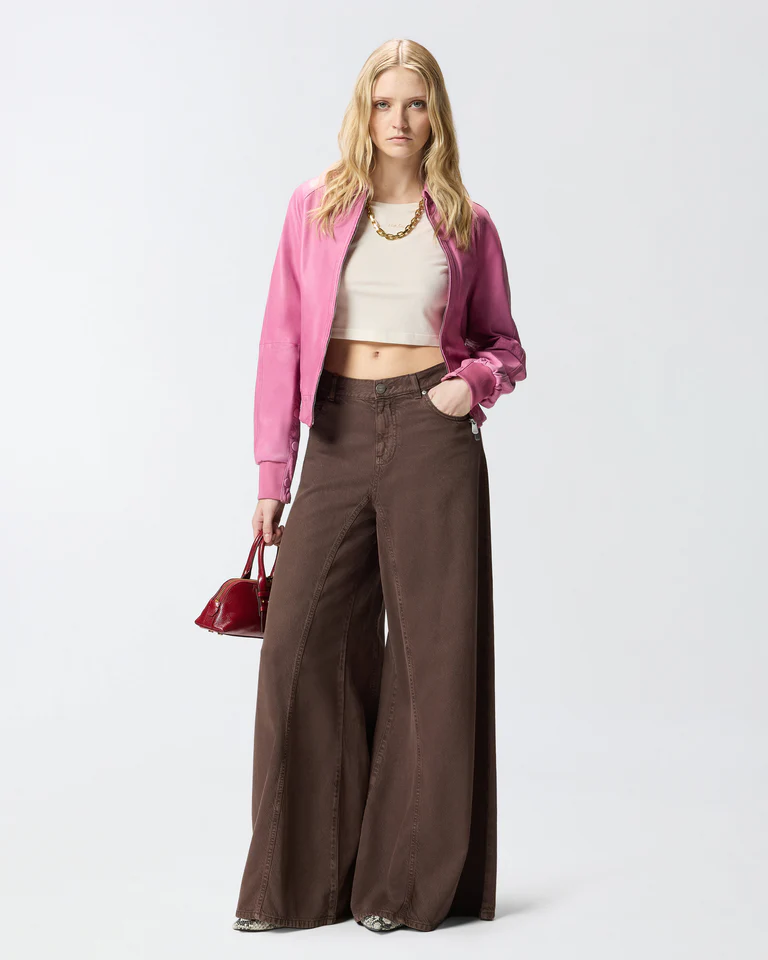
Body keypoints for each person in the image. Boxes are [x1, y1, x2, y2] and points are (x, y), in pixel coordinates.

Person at [232, 37, 527, 934]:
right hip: (334, 431)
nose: (399, 120)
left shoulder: (469, 223)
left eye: (416, 104)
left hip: (434, 437)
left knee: (432, 661)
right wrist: (272, 474)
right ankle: (296, 887)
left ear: (437, 115)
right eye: (385, 103)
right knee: (297, 645)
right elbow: (282, 339)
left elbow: (505, 346)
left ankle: (402, 885)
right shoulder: (314, 208)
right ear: (363, 110)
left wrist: (469, 385)